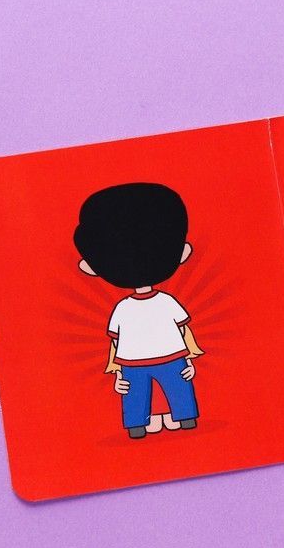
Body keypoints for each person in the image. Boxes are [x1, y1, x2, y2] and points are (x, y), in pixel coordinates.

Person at [74, 183, 203, 439]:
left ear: (90, 266)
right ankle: (139, 424)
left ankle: (183, 417)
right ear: (183, 252)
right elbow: (118, 341)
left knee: (175, 387)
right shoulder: (130, 307)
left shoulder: (150, 304)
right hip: (135, 361)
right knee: (136, 393)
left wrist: (189, 359)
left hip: (167, 356)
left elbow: (182, 331)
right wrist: (116, 371)